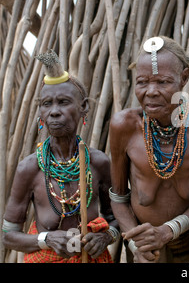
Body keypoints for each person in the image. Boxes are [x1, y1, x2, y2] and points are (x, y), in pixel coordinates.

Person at [2, 50, 118, 263]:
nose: (54, 111)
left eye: (63, 102)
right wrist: (46, 239)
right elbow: (8, 236)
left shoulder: (98, 163)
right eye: (47, 104)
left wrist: (105, 236)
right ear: (40, 112)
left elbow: (116, 219)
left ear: (83, 107)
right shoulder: (29, 168)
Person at [109, 36, 189, 263]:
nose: (151, 91)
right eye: (142, 82)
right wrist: (135, 244)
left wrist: (169, 231)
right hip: (146, 249)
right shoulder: (124, 126)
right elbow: (118, 197)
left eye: (163, 82)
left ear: (184, 78)